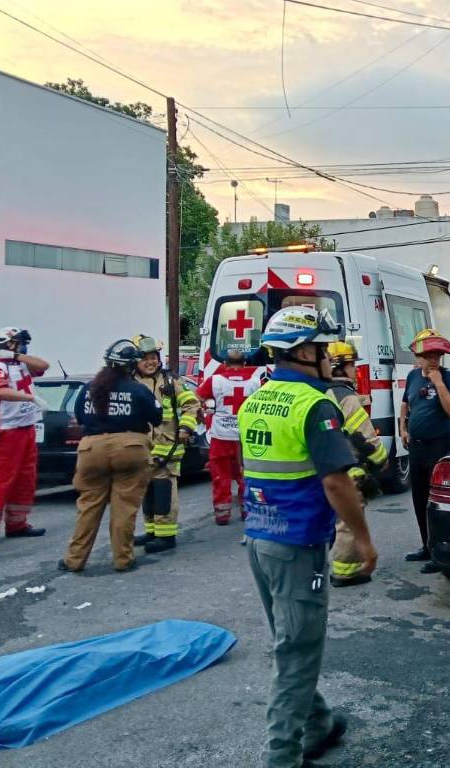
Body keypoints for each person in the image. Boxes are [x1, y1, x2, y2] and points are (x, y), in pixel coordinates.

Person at [240, 307, 376, 768]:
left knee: (292, 640)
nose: (329, 359)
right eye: (322, 349)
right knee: (296, 651)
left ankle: (318, 724)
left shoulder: (257, 398)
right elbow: (337, 482)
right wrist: (363, 538)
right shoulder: (316, 405)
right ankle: (280, 757)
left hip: (259, 539)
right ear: (302, 351)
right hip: (298, 546)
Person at [58, 340, 162, 573]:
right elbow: (156, 417)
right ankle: (123, 559)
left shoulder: (90, 388)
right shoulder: (137, 389)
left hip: (91, 450)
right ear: (131, 365)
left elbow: (81, 418)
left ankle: (74, 560)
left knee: (88, 507)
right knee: (124, 508)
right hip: (130, 448)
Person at [398, 328, 450, 574]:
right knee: (420, 499)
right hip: (417, 448)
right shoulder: (413, 377)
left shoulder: (449, 377)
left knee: (438, 500)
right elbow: (405, 403)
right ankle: (426, 545)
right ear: (419, 358)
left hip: (439, 446)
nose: (434, 360)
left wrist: (438, 383)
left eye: (437, 355)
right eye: (429, 356)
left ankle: (439, 552)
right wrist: (403, 428)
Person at [131, 335, 201, 554]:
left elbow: (192, 405)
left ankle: (166, 535)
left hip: (167, 448)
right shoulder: (131, 383)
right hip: (141, 449)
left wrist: (186, 429)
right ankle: (152, 531)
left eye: (153, 357)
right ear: (135, 361)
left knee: (163, 492)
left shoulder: (171, 382)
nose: (150, 362)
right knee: (147, 492)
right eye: (145, 358)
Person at [326, 340, 388, 587]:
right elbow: (363, 435)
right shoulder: (346, 397)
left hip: (320, 468)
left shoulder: (317, 391)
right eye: (352, 364)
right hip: (347, 468)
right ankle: (346, 571)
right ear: (341, 367)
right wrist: (381, 460)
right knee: (348, 520)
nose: (355, 370)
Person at [0, 327, 49, 545]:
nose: (24, 346)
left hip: (26, 427)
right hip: (8, 430)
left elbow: (43, 365)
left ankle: (17, 524)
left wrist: (17, 355)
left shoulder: (20, 364)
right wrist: (29, 398)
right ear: (9, 344)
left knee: (25, 478)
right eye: (19, 343)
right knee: (1, 479)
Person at [196, 347, 265, 525]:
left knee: (220, 475)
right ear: (244, 364)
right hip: (245, 437)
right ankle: (247, 510)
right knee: (246, 474)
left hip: (221, 436)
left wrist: (205, 414)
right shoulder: (255, 382)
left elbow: (197, 398)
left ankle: (222, 514)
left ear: (224, 364)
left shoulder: (215, 381)